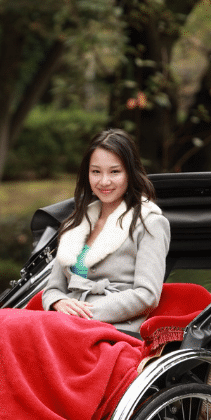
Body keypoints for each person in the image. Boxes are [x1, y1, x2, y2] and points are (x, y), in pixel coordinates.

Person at [42, 128, 171, 332]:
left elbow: (146, 295)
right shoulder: (74, 223)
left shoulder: (150, 223)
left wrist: (84, 314)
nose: (104, 181)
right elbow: (53, 289)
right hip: (65, 325)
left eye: (115, 171)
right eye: (96, 171)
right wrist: (59, 302)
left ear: (130, 173)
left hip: (114, 329)